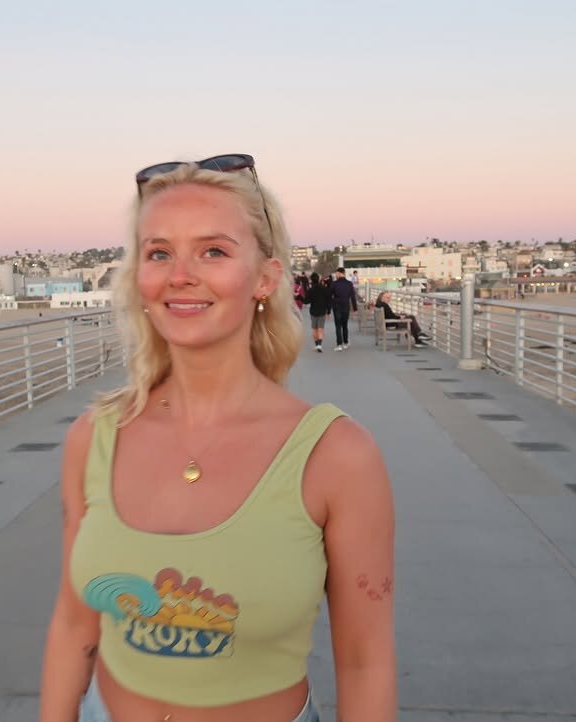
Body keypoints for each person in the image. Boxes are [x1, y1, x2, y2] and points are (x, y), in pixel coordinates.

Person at [39, 155, 396, 722]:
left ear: (265, 278)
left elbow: (364, 660)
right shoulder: (95, 437)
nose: (180, 275)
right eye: (159, 253)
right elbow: (73, 624)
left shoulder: (336, 456)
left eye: (213, 251)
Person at [330, 267, 357, 351]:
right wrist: (355, 309)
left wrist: (329, 308)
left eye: (336, 273)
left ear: (339, 273)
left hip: (336, 306)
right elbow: (353, 297)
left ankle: (339, 345)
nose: (336, 275)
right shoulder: (349, 284)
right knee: (345, 325)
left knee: (338, 326)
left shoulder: (334, 284)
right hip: (346, 306)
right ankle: (345, 342)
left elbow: (330, 296)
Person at [304, 271, 331, 352]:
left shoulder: (310, 290)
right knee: (320, 328)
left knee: (314, 329)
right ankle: (319, 345)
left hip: (313, 311)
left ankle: (316, 344)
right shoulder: (325, 289)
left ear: (311, 280)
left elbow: (306, 301)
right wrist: (329, 311)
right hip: (322, 311)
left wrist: (298, 297)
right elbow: (328, 301)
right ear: (319, 279)